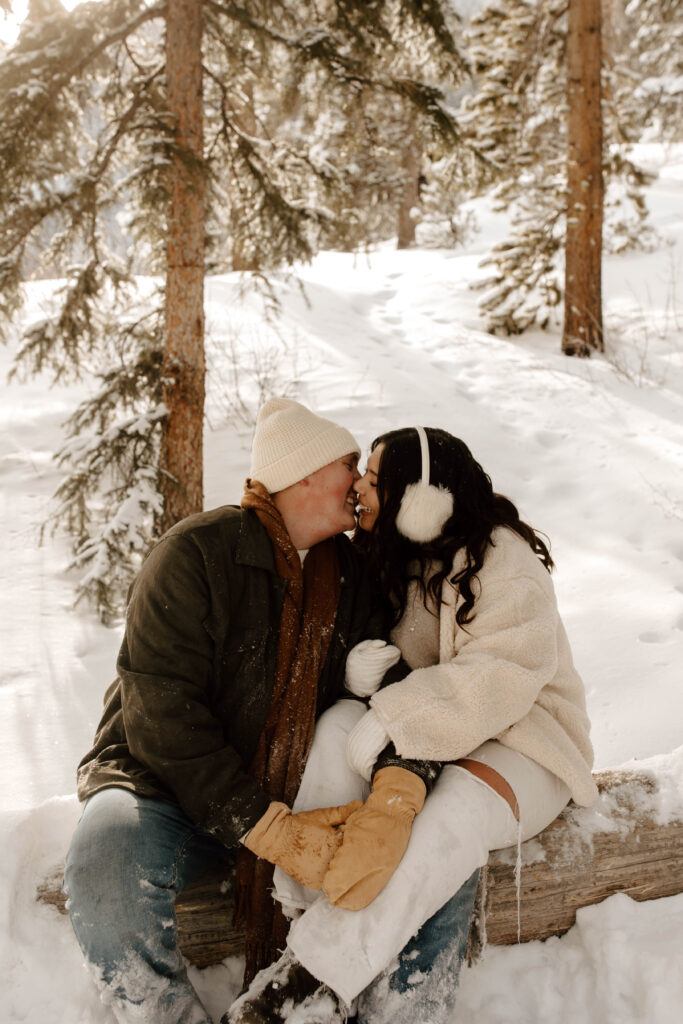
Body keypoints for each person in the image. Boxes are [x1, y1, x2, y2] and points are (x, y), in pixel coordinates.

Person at [226, 425, 598, 1024]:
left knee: (440, 820)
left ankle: (309, 987)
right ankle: (298, 918)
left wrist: (401, 714)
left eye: (375, 481)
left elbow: (504, 671)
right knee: (332, 741)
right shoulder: (399, 554)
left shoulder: (504, 557)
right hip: (434, 737)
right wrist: (361, 679)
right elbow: (401, 659)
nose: (361, 491)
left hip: (526, 742)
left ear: (421, 500)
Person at [63, 397, 387, 1024]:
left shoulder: (350, 575)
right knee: (104, 864)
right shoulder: (194, 556)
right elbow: (160, 711)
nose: (359, 481)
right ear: (308, 474)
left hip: (291, 798)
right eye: (351, 463)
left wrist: (358, 679)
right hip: (162, 789)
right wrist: (258, 824)